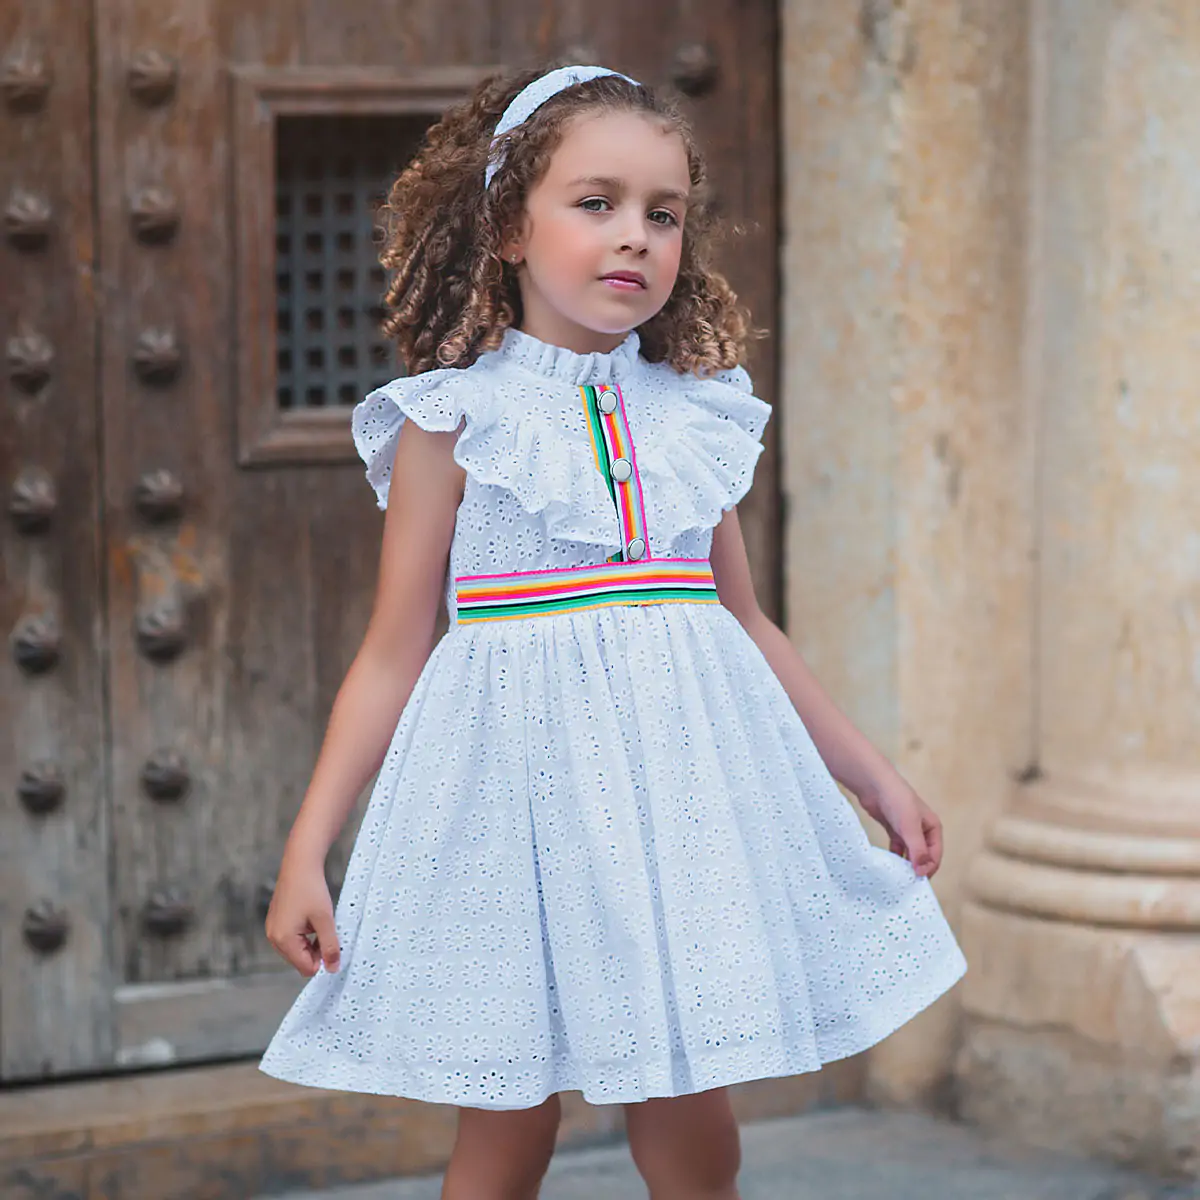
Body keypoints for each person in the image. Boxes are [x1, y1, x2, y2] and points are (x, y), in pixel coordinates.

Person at [259, 61, 967, 1200]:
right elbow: (392, 652)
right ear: (507, 227)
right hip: (514, 814)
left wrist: (872, 775)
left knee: (691, 1101)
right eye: (596, 203)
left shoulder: (694, 411)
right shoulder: (456, 419)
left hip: (680, 808)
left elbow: (745, 622)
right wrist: (307, 851)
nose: (635, 234)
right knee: (508, 1119)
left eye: (663, 213)